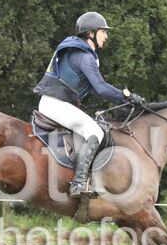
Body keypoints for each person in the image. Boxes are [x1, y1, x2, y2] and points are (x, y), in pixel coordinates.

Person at [34, 11, 146, 198]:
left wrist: (123, 97)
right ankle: (78, 184)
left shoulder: (78, 52)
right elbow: (101, 88)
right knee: (95, 132)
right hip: (55, 105)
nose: (106, 36)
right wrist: (126, 96)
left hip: (53, 103)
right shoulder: (85, 56)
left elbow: (94, 89)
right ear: (91, 33)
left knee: (90, 129)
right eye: (103, 32)